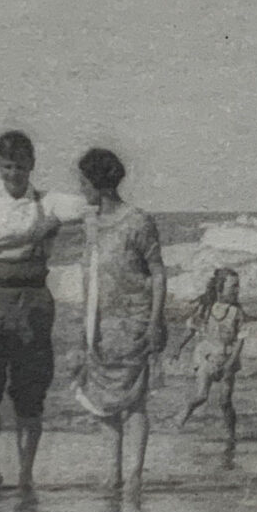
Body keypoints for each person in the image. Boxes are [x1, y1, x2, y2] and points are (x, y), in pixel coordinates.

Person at [0, 130, 87, 490]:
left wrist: (36, 226)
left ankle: (27, 474)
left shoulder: (48, 201)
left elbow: (90, 206)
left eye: (20, 166)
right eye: (7, 167)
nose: (13, 174)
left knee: (30, 392)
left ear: (32, 165)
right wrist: (36, 229)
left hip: (32, 303)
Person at [72, 147, 168, 493]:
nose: (81, 188)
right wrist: (84, 325)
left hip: (135, 320)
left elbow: (157, 272)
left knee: (133, 400)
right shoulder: (90, 223)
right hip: (100, 322)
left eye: (83, 182)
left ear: (98, 184)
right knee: (102, 401)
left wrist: (156, 321)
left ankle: (134, 474)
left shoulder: (137, 221)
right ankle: (112, 472)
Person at [175, 267, 246, 444]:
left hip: (227, 357)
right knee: (201, 396)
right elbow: (191, 329)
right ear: (219, 288)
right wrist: (178, 347)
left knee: (225, 401)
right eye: (233, 286)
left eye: (238, 286)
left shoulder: (237, 312)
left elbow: (240, 339)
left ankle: (231, 435)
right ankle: (184, 413)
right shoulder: (206, 308)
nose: (237, 290)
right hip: (206, 356)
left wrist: (232, 361)